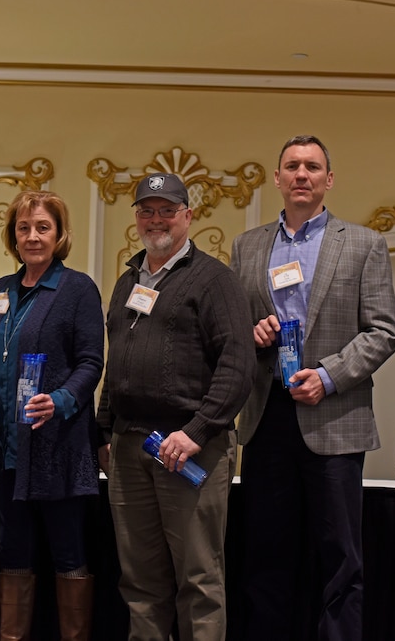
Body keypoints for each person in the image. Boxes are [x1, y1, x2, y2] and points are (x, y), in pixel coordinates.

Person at [230, 135, 395, 641]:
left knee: (339, 561)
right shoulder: (248, 245)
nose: (301, 174)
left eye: (312, 167)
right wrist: (251, 332)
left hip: (334, 419)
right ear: (277, 179)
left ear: (328, 180)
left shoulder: (364, 243)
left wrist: (327, 377)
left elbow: (384, 330)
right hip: (266, 419)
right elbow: (232, 325)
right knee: (265, 557)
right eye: (291, 167)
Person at [96, 173, 254, 641]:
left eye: (167, 210)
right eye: (147, 210)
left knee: (199, 580)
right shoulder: (128, 281)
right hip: (129, 450)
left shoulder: (214, 280)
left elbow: (237, 364)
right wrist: (105, 432)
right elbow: (117, 363)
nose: (156, 219)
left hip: (189, 448)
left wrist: (197, 431)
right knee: (139, 583)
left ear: (188, 216)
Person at [0, 190, 104, 641]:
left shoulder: (77, 288)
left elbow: (91, 362)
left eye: (42, 227)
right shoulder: (1, 291)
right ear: (13, 234)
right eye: (23, 228)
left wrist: (61, 400)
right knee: (13, 552)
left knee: (68, 553)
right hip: (7, 450)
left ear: (59, 234)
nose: (32, 236)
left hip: (57, 447)